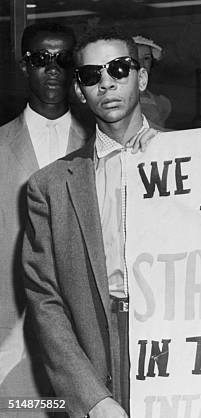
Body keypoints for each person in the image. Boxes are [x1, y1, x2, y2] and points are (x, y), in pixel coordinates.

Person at [22, 28, 156, 417]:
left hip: (178, 352)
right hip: (96, 353)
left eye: (119, 69)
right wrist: (92, 401)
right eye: (91, 75)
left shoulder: (196, 159)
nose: (107, 83)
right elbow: (45, 302)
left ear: (142, 78)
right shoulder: (49, 187)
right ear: (79, 90)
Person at [0, 22, 89, 402]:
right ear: (24, 65)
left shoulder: (101, 144)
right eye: (41, 59)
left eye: (63, 59)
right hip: (12, 338)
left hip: (87, 340)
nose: (53, 69)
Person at [133, 35, 172, 128]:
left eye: (146, 58)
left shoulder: (162, 103)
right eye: (136, 58)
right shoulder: (119, 100)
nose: (141, 63)